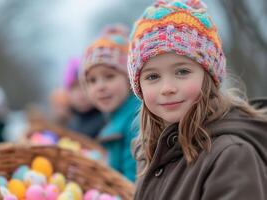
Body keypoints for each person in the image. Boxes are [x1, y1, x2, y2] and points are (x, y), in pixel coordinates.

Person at [127, 0, 267, 199]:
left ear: (208, 76)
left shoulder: (232, 155)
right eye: (152, 77)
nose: (167, 88)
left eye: (182, 71)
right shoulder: (149, 153)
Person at [81, 24, 141, 182]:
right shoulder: (115, 119)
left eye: (109, 76)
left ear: (129, 80)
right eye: (92, 80)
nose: (100, 87)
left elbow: (133, 182)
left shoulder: (136, 120)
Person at [64, 57, 105, 138]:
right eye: (74, 87)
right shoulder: (71, 124)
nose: (80, 92)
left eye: (84, 85)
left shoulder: (106, 120)